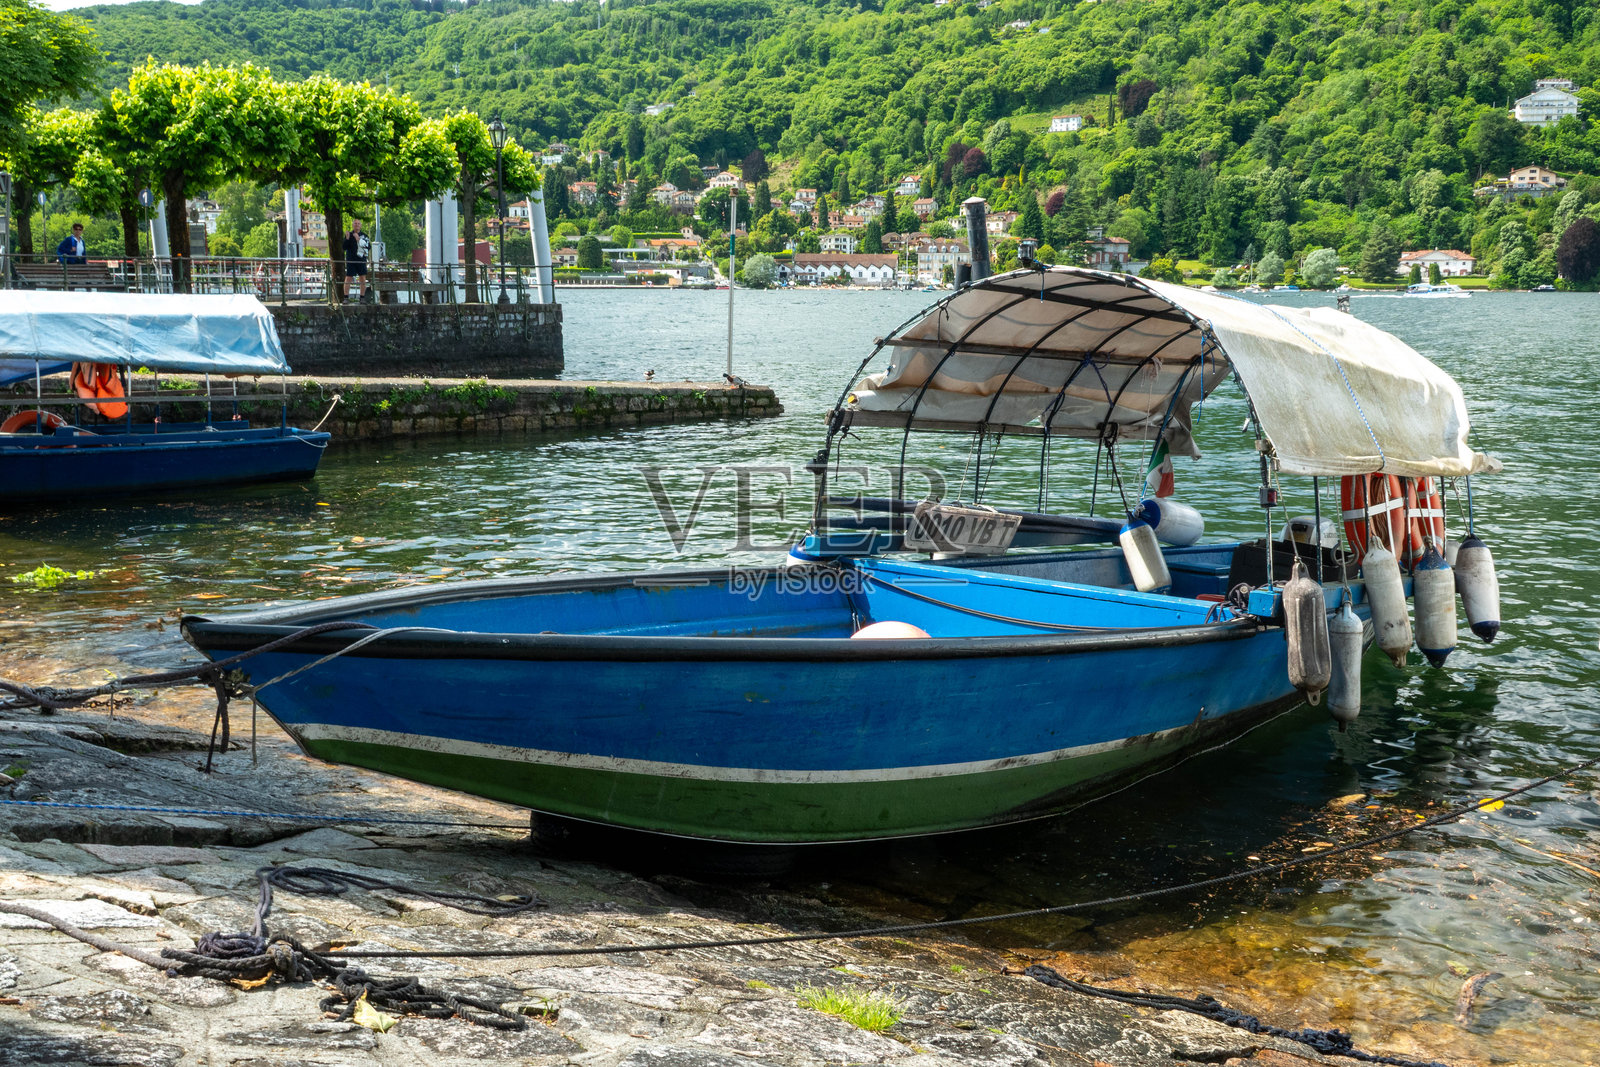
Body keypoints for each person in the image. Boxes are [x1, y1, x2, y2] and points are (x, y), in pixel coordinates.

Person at [343, 219, 371, 302]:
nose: (357, 225)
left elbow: (368, 247)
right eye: (355, 223)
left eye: (358, 223)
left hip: (361, 260)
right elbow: (344, 247)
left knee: (362, 278)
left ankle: (362, 297)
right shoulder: (349, 235)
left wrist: (359, 240)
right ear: (352, 225)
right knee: (348, 278)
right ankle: (346, 297)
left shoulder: (364, 236)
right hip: (351, 260)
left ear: (361, 225)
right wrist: (347, 238)